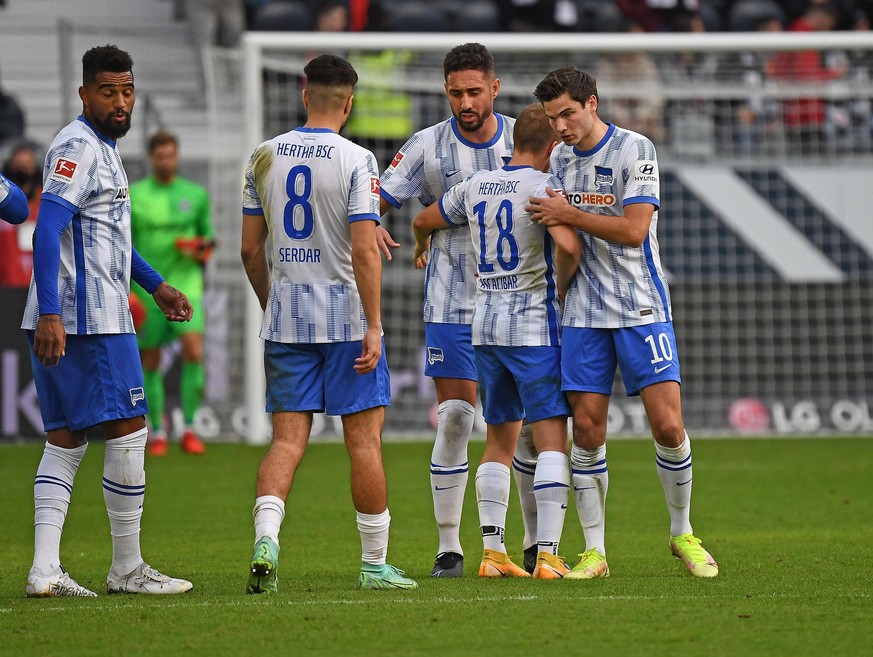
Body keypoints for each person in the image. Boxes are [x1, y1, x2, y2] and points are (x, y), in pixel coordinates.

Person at [527, 66, 719, 579]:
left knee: (668, 424)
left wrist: (569, 214)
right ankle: (596, 552)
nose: (561, 126)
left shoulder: (636, 150)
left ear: (592, 103)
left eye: (568, 113)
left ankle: (683, 532)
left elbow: (635, 231)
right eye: (552, 119)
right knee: (587, 431)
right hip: (584, 313)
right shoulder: (560, 158)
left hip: (641, 305)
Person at [21, 44, 194, 597]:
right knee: (130, 433)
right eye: (108, 91)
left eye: (127, 90)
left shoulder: (106, 148)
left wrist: (157, 285)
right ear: (84, 94)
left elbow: (111, 240)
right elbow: (46, 229)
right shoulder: (77, 145)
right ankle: (126, 568)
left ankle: (44, 570)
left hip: (85, 315)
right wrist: (52, 312)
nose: (121, 101)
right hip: (88, 320)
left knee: (65, 441)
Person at [241, 53, 417, 593]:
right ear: (349, 102)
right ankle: (373, 565)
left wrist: (273, 304)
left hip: (287, 317)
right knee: (362, 443)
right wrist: (375, 326)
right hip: (346, 321)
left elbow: (251, 250)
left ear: (303, 94)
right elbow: (366, 250)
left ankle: (266, 542)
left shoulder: (263, 155)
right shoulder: (358, 160)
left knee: (286, 442)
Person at [379, 43, 541, 578]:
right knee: (455, 418)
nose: (465, 102)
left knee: (522, 427)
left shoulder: (527, 140)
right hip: (450, 299)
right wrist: (376, 221)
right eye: (455, 92)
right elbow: (379, 199)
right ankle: (450, 546)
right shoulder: (427, 145)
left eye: (474, 91)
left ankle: (535, 543)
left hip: (518, 301)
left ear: (494, 88)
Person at [412, 104, 581, 579]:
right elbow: (568, 246)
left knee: (498, 440)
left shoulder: (476, 185)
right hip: (532, 327)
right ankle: (547, 554)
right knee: (550, 440)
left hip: (484, 326)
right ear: (551, 147)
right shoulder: (545, 188)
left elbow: (424, 220)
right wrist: (563, 285)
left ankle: (491, 553)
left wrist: (423, 247)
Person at [130, 130, 214, 457]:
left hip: (186, 283)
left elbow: (207, 240)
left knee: (193, 351)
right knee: (150, 359)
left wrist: (199, 250)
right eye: (161, 156)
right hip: (147, 288)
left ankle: (190, 428)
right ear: (152, 158)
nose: (167, 161)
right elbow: (125, 246)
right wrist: (129, 291)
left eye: (171, 155)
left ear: (178, 156)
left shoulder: (195, 195)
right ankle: (158, 431)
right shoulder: (135, 195)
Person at [0, 143, 40, 286]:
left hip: (37, 286)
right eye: (18, 164)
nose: (23, 168)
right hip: (6, 286)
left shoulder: (46, 200)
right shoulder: (2, 201)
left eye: (27, 164)